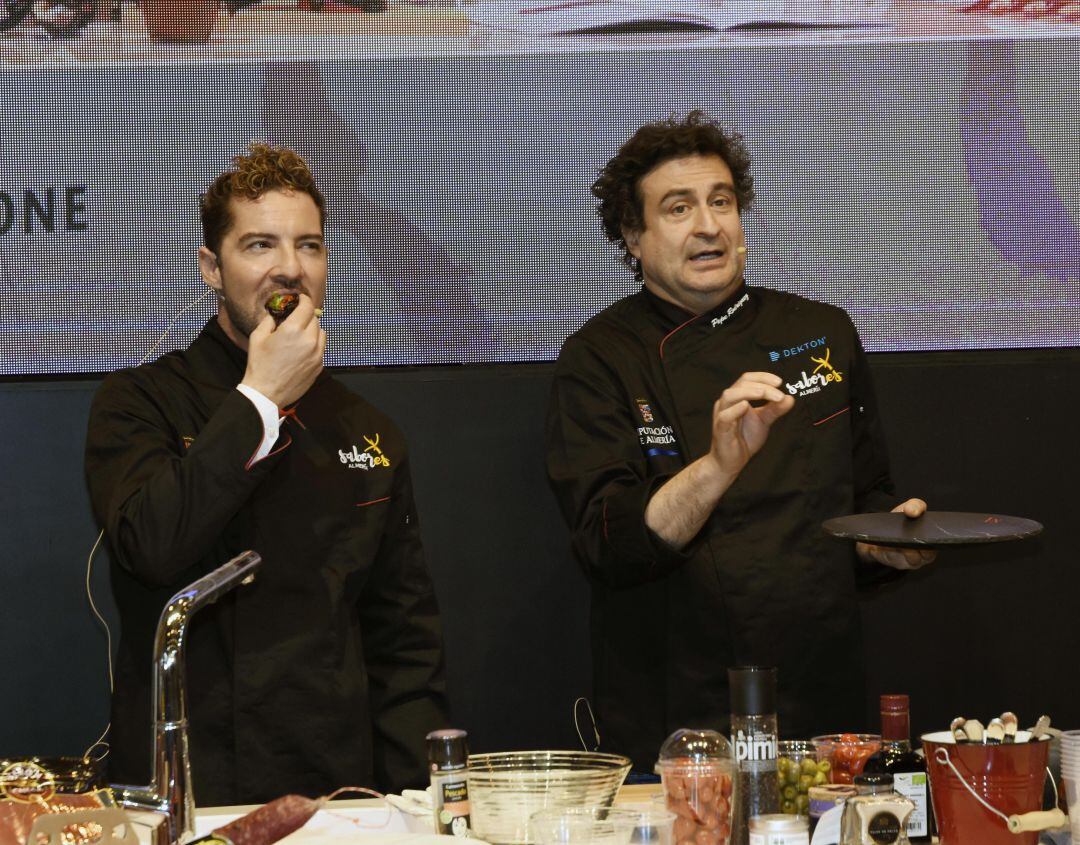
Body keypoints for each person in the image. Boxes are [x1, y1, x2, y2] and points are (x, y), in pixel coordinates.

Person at [544, 112, 936, 770]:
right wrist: (719, 465)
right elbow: (606, 543)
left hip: (821, 709)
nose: (709, 225)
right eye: (679, 208)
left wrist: (888, 544)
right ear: (633, 239)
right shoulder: (599, 358)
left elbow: (863, 502)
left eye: (721, 201)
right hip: (676, 724)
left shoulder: (823, 331)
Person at [85, 143, 448, 805]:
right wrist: (259, 399)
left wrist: (418, 800)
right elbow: (152, 543)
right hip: (188, 786)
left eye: (309, 245)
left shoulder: (368, 430)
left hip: (335, 792)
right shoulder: (139, 401)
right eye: (259, 245)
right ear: (212, 268)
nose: (289, 268)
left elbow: (404, 647)